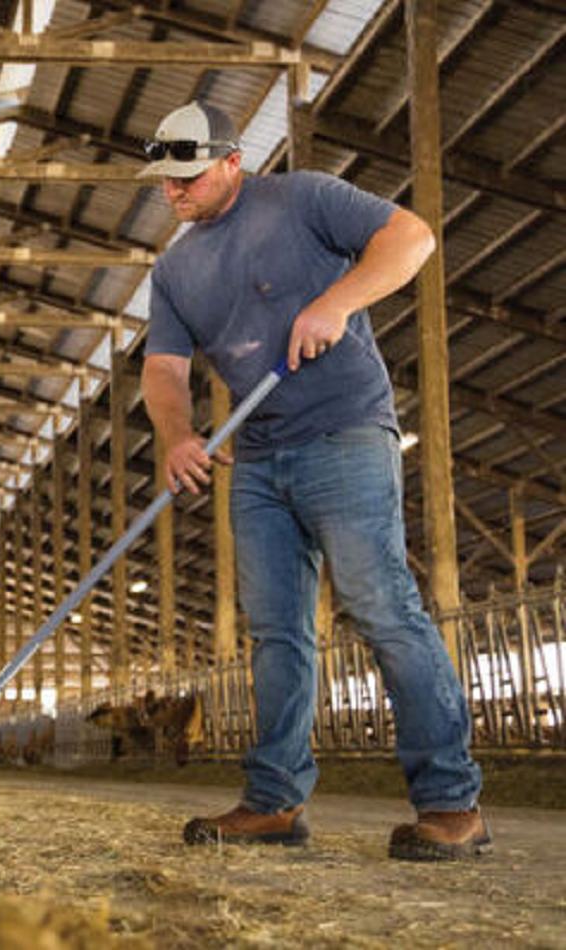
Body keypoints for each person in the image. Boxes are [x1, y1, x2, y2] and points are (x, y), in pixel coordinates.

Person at [138, 100, 490, 861]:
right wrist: (177, 434)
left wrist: (336, 302)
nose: (174, 193)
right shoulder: (174, 269)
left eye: (188, 177)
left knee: (380, 605)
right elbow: (162, 369)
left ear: (232, 160)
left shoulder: (302, 198)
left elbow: (413, 237)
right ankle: (273, 802)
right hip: (258, 460)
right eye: (165, 182)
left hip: (344, 433)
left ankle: (451, 803)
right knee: (275, 634)